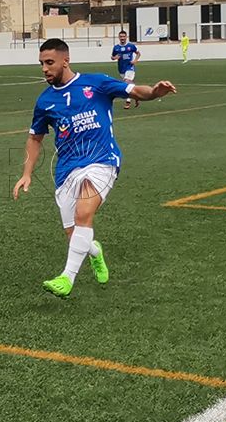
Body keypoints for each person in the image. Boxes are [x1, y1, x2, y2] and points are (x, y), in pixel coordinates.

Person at [13, 38, 177, 297]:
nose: (45, 69)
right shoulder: (45, 102)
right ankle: (94, 251)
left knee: (83, 213)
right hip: (67, 170)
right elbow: (35, 138)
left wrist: (155, 92)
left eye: (50, 63)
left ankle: (67, 279)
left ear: (65, 61)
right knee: (75, 233)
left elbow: (135, 91)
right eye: (42, 63)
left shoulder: (96, 83)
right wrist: (26, 173)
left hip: (102, 161)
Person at [110, 31, 141, 110]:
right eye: (121, 36)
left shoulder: (131, 46)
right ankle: (137, 96)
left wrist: (135, 61)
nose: (122, 38)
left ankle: (128, 101)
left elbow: (138, 53)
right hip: (121, 69)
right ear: (119, 37)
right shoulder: (116, 47)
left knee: (127, 81)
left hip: (130, 67)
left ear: (126, 37)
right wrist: (114, 58)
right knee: (129, 83)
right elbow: (112, 57)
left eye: (124, 36)